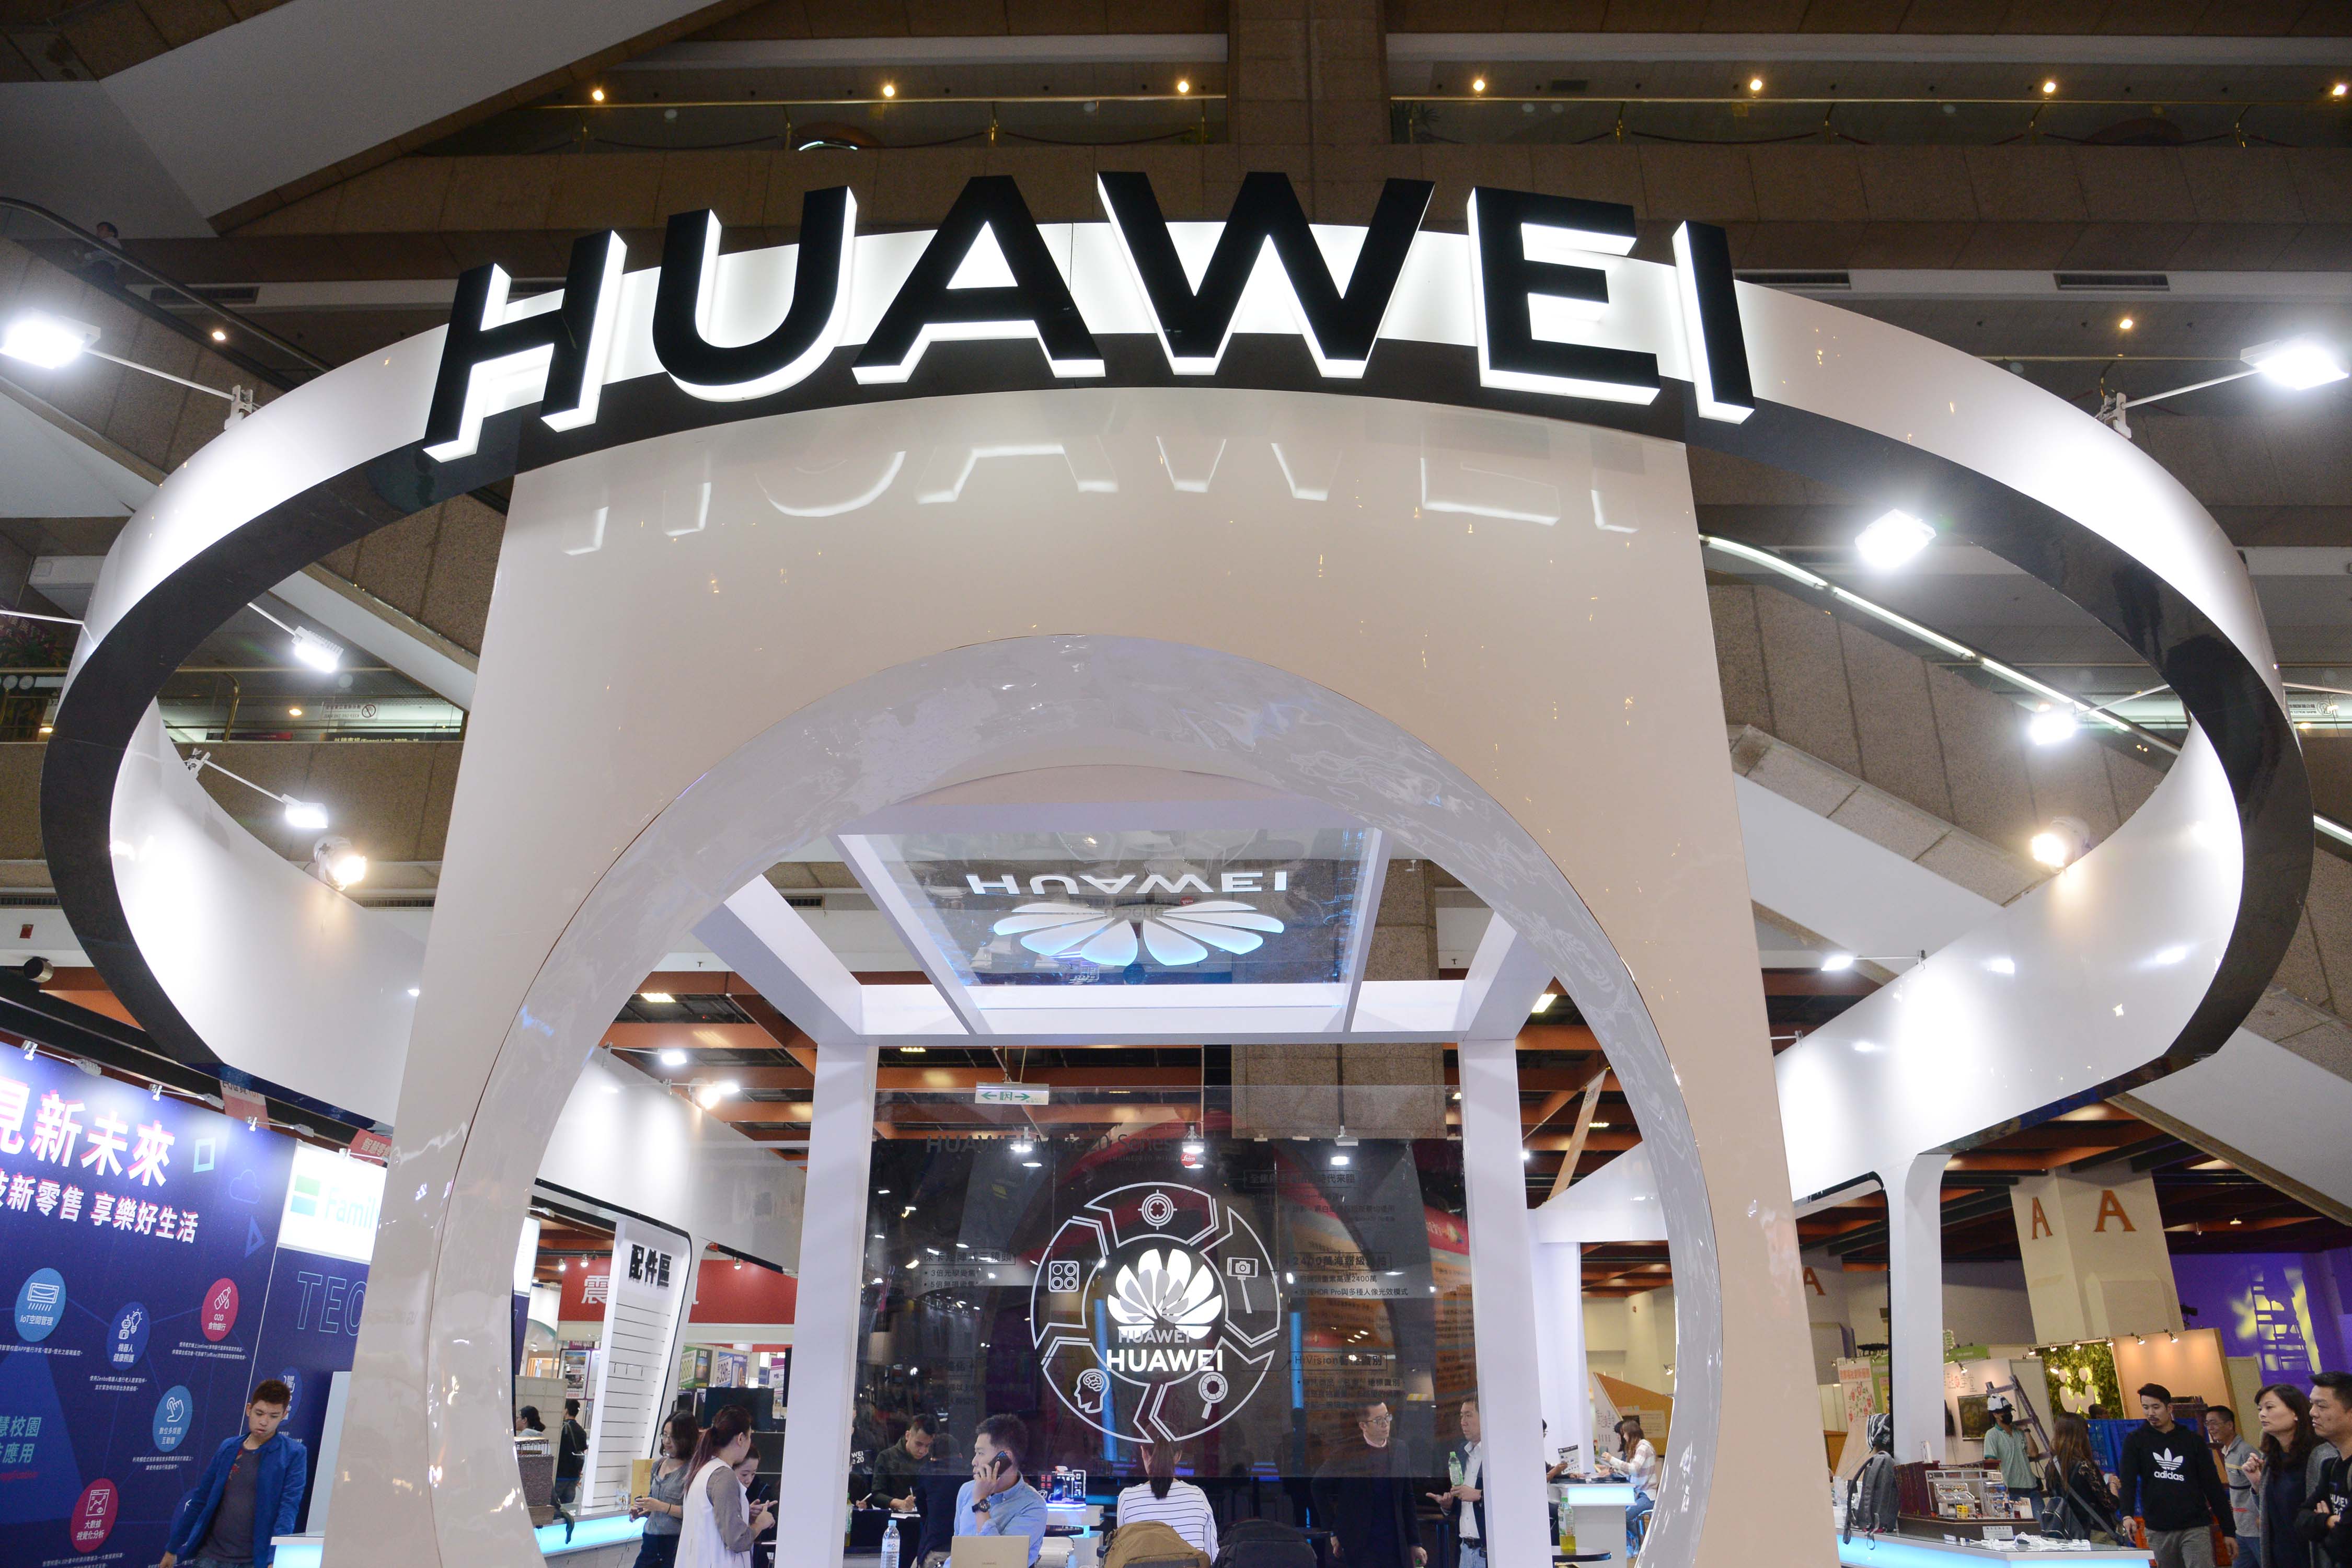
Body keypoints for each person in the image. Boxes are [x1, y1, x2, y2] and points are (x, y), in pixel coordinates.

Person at [158, 1379, 308, 1568]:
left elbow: (288, 1510)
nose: (264, 1422)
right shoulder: (229, 1447)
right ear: (249, 1409)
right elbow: (200, 1500)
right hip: (211, 1556)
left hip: (254, 1560)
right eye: (259, 1413)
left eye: (274, 1416)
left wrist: (274, 1559)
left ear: (284, 1415)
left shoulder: (294, 1454)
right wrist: (172, 1548)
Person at [2118, 1382, 2234, 1568]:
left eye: (2156, 1407)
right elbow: (2128, 1481)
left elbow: (2212, 1486)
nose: (2151, 1413)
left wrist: (2229, 1531)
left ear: (2169, 1408)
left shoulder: (2192, 1441)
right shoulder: (2136, 1441)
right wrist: (2127, 1515)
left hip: (2195, 1525)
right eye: (2146, 1408)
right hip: (2159, 1527)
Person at [1312, 1396, 1425, 1568]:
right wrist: (1333, 1529)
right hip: (1360, 1543)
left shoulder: (1400, 1449)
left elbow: (1407, 1498)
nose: (1385, 1424)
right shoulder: (1347, 1452)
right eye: (1378, 1420)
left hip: (1395, 1541)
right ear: (1363, 1426)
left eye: (1387, 1417)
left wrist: (1415, 1543)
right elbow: (1318, 1486)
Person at [678, 1405, 775, 1568]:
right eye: (750, 1436)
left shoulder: (702, 1469)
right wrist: (760, 1524)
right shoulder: (723, 1475)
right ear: (741, 1439)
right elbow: (738, 1540)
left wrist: (744, 1514)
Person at [2243, 1383, 2319, 1568]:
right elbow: (2271, 1514)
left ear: (2296, 1413)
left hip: (2311, 1555)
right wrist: (2258, 1485)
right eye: (2260, 1409)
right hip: (2281, 1556)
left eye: (2270, 1407)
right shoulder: (2270, 1458)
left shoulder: (2318, 1456)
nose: (2262, 1414)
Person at [955, 1414, 1046, 1566]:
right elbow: (958, 1550)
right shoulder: (967, 1490)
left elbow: (997, 1563)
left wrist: (980, 1502)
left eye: (981, 1453)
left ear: (1004, 1458)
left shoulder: (1032, 1506)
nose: (974, 1461)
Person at [1117, 1443, 1219, 1557]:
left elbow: (1121, 1555)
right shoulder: (1198, 1496)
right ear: (1178, 1456)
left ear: (1143, 1453)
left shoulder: (1127, 1498)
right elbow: (1212, 1558)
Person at [631, 1412, 700, 1568]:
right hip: (650, 1540)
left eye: (673, 1437)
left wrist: (660, 1506)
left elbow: (694, 1513)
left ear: (686, 1439)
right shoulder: (658, 1465)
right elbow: (653, 1504)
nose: (667, 1441)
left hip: (674, 1543)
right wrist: (643, 1510)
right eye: (665, 1435)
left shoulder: (693, 1471)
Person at [2300, 1373, 2352, 1568]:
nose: (2312, 1413)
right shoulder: (2331, 1466)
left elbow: (2342, 1547)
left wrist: (2320, 1525)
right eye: (2312, 1405)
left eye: (2321, 1406)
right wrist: (2329, 1521)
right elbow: (2301, 1520)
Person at [1425, 1398, 1484, 1568]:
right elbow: (1463, 1500)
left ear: (1484, 1417)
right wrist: (1448, 1505)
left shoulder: (1495, 1453)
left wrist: (1479, 1495)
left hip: (1489, 1549)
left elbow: (1511, 1493)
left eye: (1469, 1415)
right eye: (1461, 1416)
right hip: (1465, 1549)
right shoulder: (1461, 1452)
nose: (1463, 1422)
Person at [2043, 1412, 2120, 1541]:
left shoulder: (2051, 1467)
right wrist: (2113, 1484)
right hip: (2094, 1532)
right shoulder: (2084, 1466)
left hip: (2067, 1533)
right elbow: (2111, 1504)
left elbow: (2054, 1498)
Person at [1597, 1415, 1658, 1555]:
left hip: (1647, 1496)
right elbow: (1630, 1472)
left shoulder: (1643, 1447)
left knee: (1625, 1516)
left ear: (1630, 1433)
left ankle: (1643, 1544)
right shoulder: (1638, 1448)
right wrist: (1613, 1470)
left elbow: (1634, 1469)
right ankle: (1635, 1544)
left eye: (1624, 1433)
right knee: (1619, 1513)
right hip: (1639, 1494)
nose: (1623, 1437)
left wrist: (1612, 1460)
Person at [2209, 1405, 2261, 1568]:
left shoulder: (2246, 1452)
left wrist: (2261, 1515)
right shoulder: (2227, 1452)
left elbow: (2261, 1486)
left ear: (2230, 1425)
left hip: (2255, 1528)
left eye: (2214, 1423)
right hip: (2241, 1528)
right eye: (2207, 1424)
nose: (2210, 1428)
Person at [871, 1414, 941, 1513]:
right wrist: (899, 1503)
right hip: (895, 1516)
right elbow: (876, 1495)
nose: (922, 1451)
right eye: (919, 1444)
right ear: (908, 1435)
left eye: (928, 1446)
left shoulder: (932, 1460)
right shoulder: (886, 1457)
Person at [554, 1397, 590, 1542]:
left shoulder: (562, 1429)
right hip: (574, 1476)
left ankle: (553, 1534)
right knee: (568, 1507)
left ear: (566, 1410)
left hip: (560, 1475)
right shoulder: (582, 1431)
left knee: (555, 1508)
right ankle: (564, 1534)